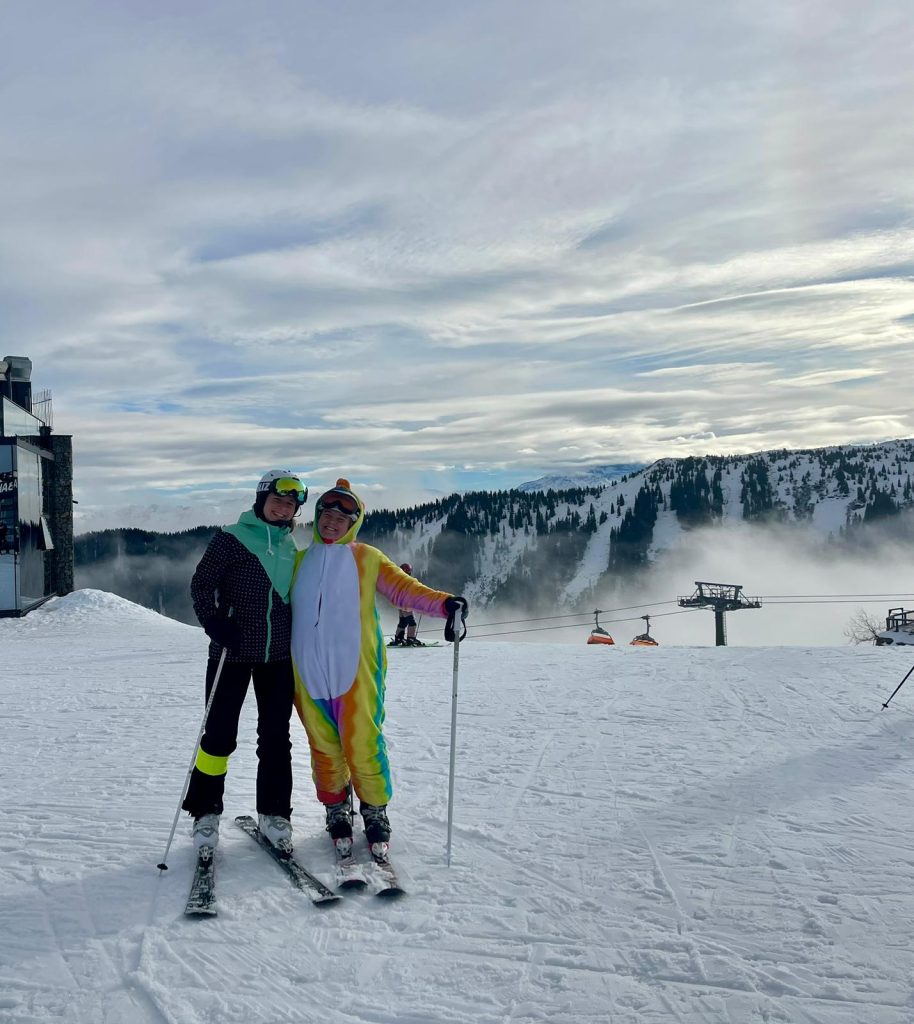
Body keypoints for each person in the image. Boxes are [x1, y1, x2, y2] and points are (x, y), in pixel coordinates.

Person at [290, 478, 467, 862]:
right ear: (317, 517)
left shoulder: (366, 557)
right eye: (327, 513)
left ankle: (373, 811)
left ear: (355, 521)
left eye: (343, 516)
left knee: (363, 743)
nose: (333, 521)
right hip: (306, 673)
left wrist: (447, 604)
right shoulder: (298, 562)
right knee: (323, 748)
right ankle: (336, 809)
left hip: (357, 672)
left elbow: (405, 590)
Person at [183, 470, 307, 855]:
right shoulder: (231, 539)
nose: (283, 508)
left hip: (277, 656)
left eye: (290, 504)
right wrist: (215, 624)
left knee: (275, 739)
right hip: (230, 653)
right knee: (218, 737)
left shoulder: (291, 547)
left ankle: (275, 813)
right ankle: (205, 811)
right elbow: (201, 584)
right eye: (278, 500)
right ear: (261, 499)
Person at [390, 562, 423, 646]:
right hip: (406, 604)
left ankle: (399, 638)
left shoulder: (397, 580)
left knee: (403, 622)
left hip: (399, 604)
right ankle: (411, 638)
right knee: (412, 622)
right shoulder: (408, 581)